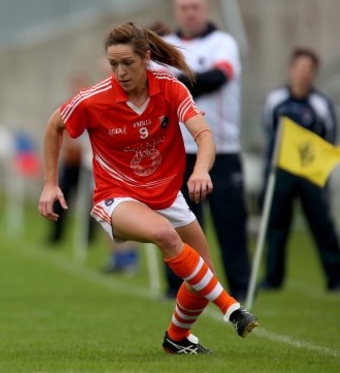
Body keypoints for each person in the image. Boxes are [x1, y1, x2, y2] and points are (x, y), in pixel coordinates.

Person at [38, 21, 258, 354]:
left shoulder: (171, 88)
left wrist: (200, 170)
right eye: (113, 64)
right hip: (116, 197)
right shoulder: (94, 99)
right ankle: (231, 308)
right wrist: (50, 184)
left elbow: (204, 135)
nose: (120, 71)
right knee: (167, 236)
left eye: (127, 62)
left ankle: (177, 339)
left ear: (146, 57)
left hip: (167, 195)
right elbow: (55, 125)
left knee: (202, 277)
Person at [162, 0, 251, 301]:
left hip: (221, 150)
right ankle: (176, 287)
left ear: (206, 7)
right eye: (184, 7)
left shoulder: (223, 43)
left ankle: (240, 286)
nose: (190, 12)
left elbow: (219, 76)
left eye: (195, 6)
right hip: (177, 152)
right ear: (176, 11)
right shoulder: (165, 48)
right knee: (179, 224)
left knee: (230, 222)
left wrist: (178, 85)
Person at [260, 47, 340, 292]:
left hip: (311, 173)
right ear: (291, 70)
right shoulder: (276, 99)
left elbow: (330, 136)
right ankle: (273, 278)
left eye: (309, 70)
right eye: (300, 68)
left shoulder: (321, 103)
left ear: (314, 73)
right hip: (281, 171)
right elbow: (269, 128)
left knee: (321, 224)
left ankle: (335, 277)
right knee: (275, 226)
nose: (303, 74)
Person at [47, 71, 99, 246]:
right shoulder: (68, 109)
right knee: (60, 198)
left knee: (91, 202)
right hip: (71, 162)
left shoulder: (93, 109)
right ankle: (56, 234)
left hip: (89, 162)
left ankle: (88, 237)